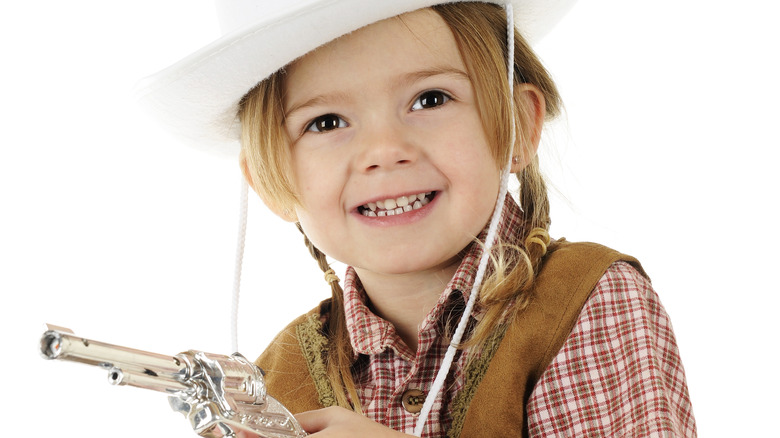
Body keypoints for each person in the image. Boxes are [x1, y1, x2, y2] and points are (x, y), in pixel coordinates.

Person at [139, 0, 696, 436]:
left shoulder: (584, 302)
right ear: (268, 181)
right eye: (326, 122)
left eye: (430, 99)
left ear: (519, 127)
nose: (385, 149)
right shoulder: (276, 376)